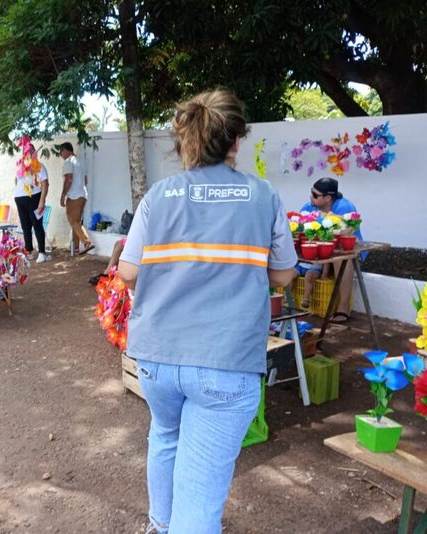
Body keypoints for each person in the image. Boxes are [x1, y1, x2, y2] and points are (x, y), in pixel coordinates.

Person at [117, 88, 297, 533]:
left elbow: (127, 270)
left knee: (165, 436)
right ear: (236, 140)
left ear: (187, 140)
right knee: (200, 497)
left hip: (158, 357)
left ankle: (159, 525)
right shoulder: (264, 196)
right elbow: (284, 275)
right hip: (226, 361)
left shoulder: (158, 196)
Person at [299, 177, 361, 322]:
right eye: (311, 193)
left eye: (315, 195)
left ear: (328, 198)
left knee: (341, 257)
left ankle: (343, 307)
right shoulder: (309, 206)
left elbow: (345, 232)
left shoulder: (344, 207)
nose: (311, 198)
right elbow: (299, 225)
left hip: (344, 248)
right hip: (318, 248)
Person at [14, 143, 51, 263]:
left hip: (34, 197)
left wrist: (42, 201)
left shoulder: (39, 166)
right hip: (20, 198)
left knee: (37, 225)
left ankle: (42, 252)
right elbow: (17, 181)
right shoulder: (20, 166)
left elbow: (45, 184)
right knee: (25, 226)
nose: (28, 153)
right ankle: (28, 251)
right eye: (26, 151)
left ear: (34, 152)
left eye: (31, 151)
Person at [58, 142, 94, 255]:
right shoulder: (80, 162)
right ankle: (75, 247)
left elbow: (68, 179)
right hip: (83, 195)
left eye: (61, 151)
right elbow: (86, 180)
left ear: (66, 150)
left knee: (74, 221)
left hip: (74, 196)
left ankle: (87, 242)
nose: (60, 154)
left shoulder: (69, 161)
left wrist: (63, 195)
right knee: (75, 222)